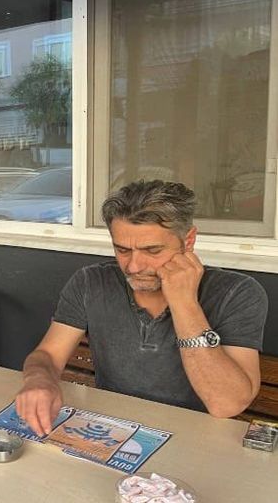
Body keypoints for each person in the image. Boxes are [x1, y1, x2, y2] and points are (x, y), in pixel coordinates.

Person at [15, 180, 267, 436]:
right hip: (112, 430)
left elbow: (227, 404)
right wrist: (39, 380)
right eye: (122, 250)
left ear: (188, 240)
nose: (134, 266)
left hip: (198, 440)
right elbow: (47, 355)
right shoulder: (91, 282)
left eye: (152, 250)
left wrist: (184, 303)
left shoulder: (237, 292)